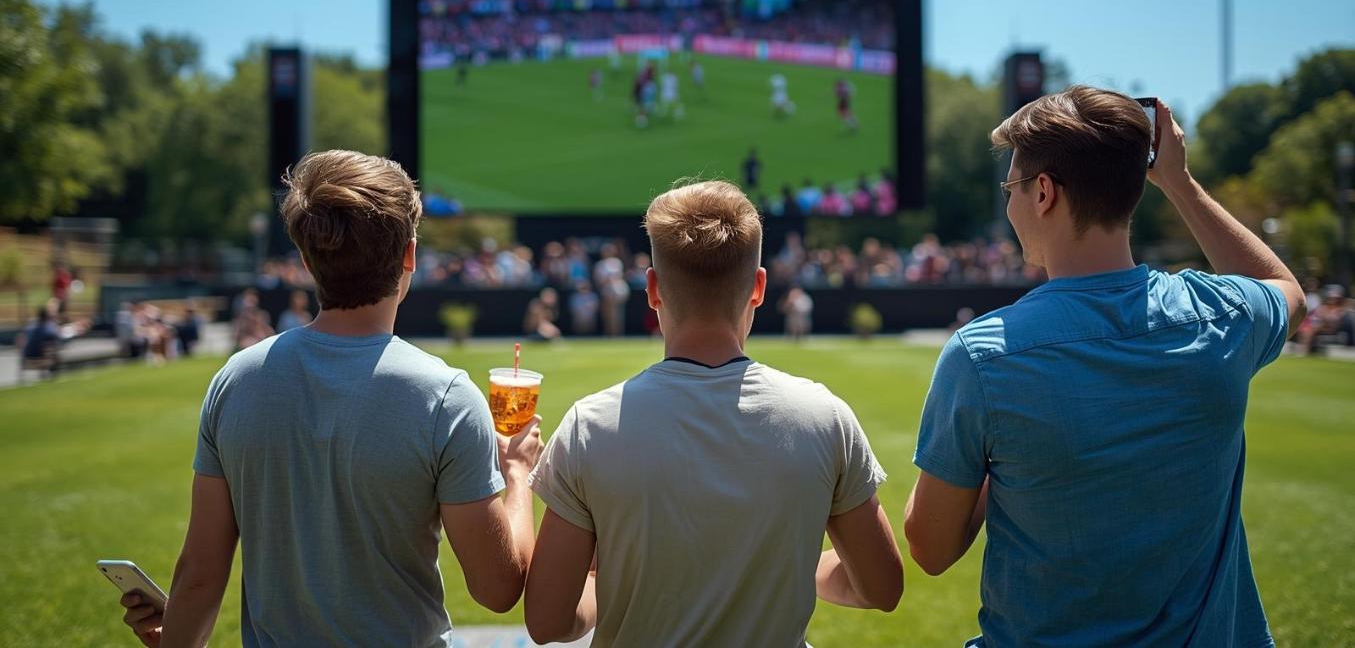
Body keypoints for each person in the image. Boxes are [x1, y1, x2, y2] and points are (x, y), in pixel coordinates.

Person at [904, 87, 1305, 647]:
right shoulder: (1221, 317)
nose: (1009, 204)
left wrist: (1001, 465)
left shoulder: (983, 356)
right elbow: (1286, 290)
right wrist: (1181, 184)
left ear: (1043, 192)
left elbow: (930, 548)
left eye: (1010, 188)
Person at [119, 150, 544, 647]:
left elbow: (199, 574)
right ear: (409, 254)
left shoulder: (236, 380)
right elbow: (498, 589)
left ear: (306, 260)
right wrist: (517, 474)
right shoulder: (446, 398)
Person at [523, 180, 903, 647]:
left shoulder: (589, 427)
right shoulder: (824, 418)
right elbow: (881, 588)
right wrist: (796, 568)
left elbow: (547, 621)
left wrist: (617, 576)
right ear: (759, 287)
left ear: (653, 290)